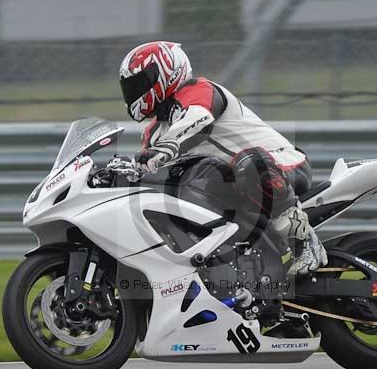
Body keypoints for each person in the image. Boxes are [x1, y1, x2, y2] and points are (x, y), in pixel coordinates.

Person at [118, 40, 326, 276]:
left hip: (282, 166)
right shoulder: (153, 132)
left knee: (249, 163)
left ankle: (304, 241)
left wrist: (165, 148)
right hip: (234, 185)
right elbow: (151, 171)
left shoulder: (198, 90)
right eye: (130, 86)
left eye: (141, 82)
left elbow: (198, 119)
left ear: (168, 72)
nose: (135, 91)